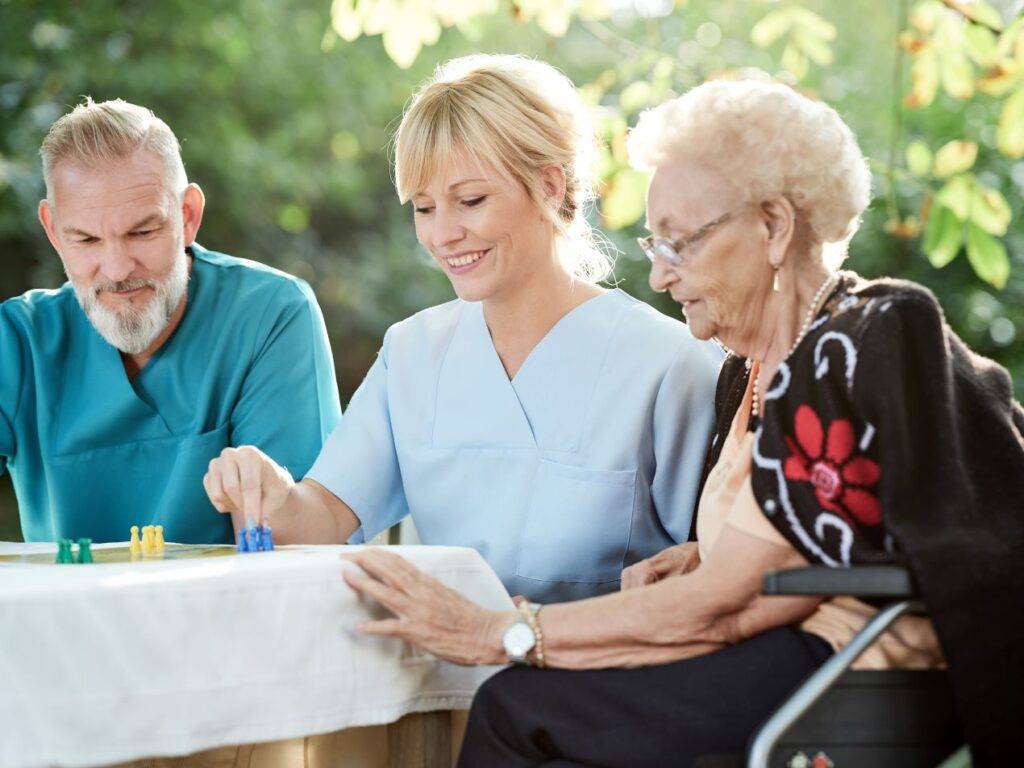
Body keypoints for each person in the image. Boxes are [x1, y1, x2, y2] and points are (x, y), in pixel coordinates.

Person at [338, 77, 1024, 765]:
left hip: (850, 679)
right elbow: (801, 540)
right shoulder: (748, 376)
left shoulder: (849, 342)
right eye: (653, 245)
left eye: (681, 244)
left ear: (774, 226)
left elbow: (731, 606)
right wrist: (699, 558)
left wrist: (506, 633)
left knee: (516, 707)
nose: (661, 277)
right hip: (783, 658)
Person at [204, 55, 722, 602]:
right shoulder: (411, 354)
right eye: (424, 208)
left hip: (604, 671)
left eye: (470, 201)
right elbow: (321, 520)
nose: (443, 234)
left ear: (549, 187)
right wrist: (270, 492)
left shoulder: (671, 364)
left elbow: (714, 569)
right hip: (444, 671)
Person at [0, 98, 341, 543]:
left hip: (226, 610)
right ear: (53, 231)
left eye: (142, 232)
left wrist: (259, 498)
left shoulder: (269, 316)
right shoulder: (20, 341)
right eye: (85, 238)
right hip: (68, 613)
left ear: (188, 215)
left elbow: (289, 549)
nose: (118, 268)